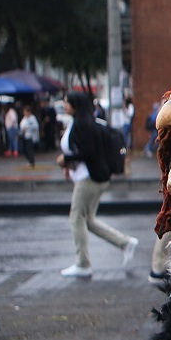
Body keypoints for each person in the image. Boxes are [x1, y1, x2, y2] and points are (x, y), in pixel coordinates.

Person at [57, 91, 137, 278]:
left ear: (75, 105)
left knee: (76, 217)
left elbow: (88, 152)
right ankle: (125, 243)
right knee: (88, 220)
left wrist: (65, 159)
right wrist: (69, 164)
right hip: (89, 176)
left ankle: (83, 263)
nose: (64, 105)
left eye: (67, 103)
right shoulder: (83, 122)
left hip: (89, 178)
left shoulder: (82, 125)